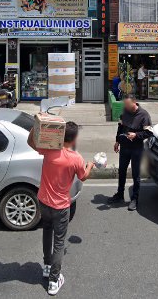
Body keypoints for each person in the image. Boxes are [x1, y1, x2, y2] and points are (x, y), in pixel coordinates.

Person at [27, 121, 93, 296]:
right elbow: (83, 177)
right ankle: (54, 281)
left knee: (47, 232)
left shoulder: (49, 150)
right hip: (61, 207)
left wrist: (36, 124)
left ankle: (47, 266)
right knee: (59, 243)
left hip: (44, 202)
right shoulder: (76, 158)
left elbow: (30, 141)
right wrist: (90, 166)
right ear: (74, 139)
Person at [108, 96, 152, 211]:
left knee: (136, 174)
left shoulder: (144, 115)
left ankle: (134, 199)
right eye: (125, 104)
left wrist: (136, 135)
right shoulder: (124, 112)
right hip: (124, 147)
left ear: (134, 102)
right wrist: (117, 141)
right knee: (122, 171)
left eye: (128, 104)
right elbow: (120, 127)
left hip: (136, 149)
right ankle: (120, 194)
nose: (126, 107)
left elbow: (149, 132)